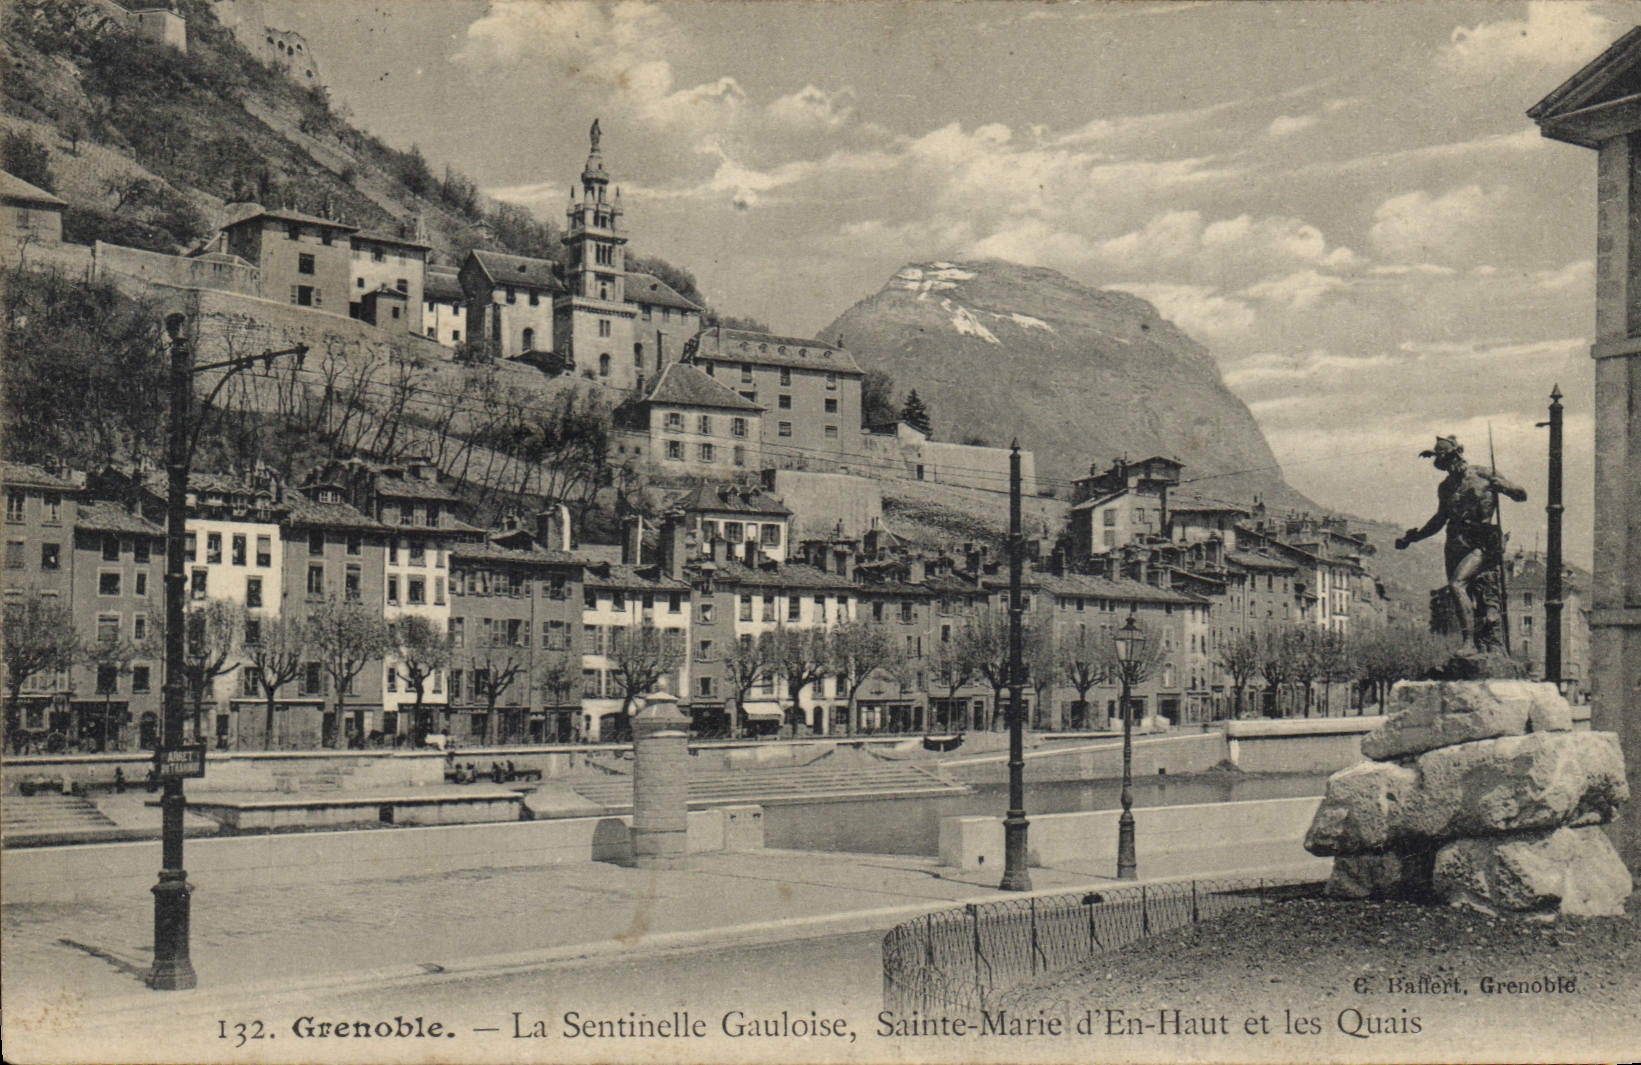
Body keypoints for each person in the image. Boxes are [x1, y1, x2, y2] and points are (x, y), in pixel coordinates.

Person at [1395, 435, 1526, 652]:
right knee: (1462, 591)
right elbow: (1439, 519)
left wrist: (1504, 486)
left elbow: (1521, 495)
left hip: (1482, 541)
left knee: (1458, 584)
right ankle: (1479, 642)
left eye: (1450, 462)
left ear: (1458, 455)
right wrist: (1413, 537)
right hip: (1455, 542)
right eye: (1444, 465)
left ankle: (1469, 643)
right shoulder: (1445, 487)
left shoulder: (1484, 473)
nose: (1449, 468)